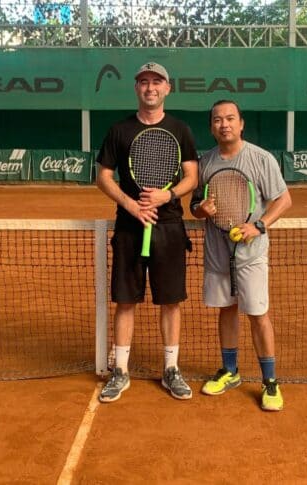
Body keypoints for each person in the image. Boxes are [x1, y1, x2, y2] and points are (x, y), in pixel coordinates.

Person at [95, 62, 198, 403]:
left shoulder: (180, 130)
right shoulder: (119, 130)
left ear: (168, 88)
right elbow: (103, 177)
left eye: (157, 82)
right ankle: (120, 370)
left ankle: (171, 369)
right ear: (136, 88)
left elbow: (191, 177)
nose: (150, 87)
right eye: (144, 82)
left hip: (168, 226)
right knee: (126, 300)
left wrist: (167, 195)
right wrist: (132, 206)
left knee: (170, 300)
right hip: (129, 226)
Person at [190, 100, 292, 412]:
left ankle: (270, 381)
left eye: (230, 118)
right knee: (227, 310)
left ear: (241, 123)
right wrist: (200, 210)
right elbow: (196, 206)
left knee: (258, 314)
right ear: (211, 127)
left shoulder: (260, 159)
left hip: (251, 254)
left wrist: (259, 225)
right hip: (218, 253)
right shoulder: (205, 162)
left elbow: (284, 200)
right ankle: (230, 371)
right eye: (218, 120)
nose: (224, 124)